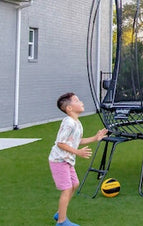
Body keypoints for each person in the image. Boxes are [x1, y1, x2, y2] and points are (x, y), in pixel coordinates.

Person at [49, 92, 108, 226]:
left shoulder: (76, 122)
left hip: (67, 161)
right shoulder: (69, 123)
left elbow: (76, 140)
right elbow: (60, 143)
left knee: (74, 184)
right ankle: (61, 222)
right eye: (77, 100)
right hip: (59, 161)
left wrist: (95, 138)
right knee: (67, 189)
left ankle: (60, 213)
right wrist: (78, 152)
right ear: (69, 108)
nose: (81, 102)